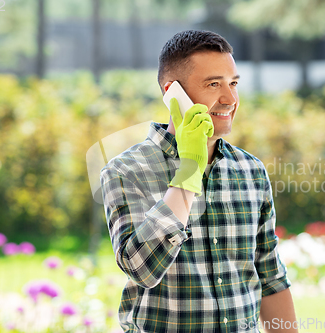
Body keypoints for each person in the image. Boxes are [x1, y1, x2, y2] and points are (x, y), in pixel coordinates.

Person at [100, 30, 297, 333]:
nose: (230, 99)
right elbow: (141, 268)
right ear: (172, 93)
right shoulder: (127, 171)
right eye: (213, 84)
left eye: (233, 83)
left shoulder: (251, 170)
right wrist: (190, 171)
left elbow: (270, 276)